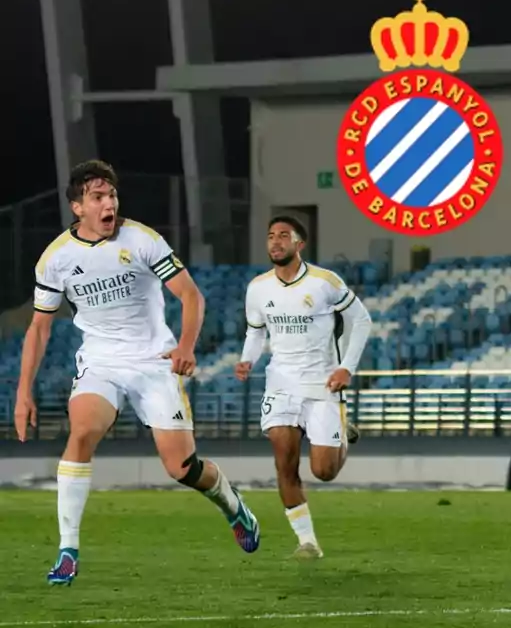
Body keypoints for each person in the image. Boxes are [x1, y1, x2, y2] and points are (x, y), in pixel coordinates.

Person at [14, 159, 261, 585]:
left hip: (154, 362)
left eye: (111, 195)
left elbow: (191, 297)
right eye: (98, 197)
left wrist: (185, 346)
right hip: (101, 363)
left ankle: (231, 503)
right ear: (78, 207)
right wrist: (24, 391)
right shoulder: (55, 258)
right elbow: (39, 326)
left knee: (181, 468)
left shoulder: (143, 240)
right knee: (81, 432)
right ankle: (67, 550)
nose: (108, 203)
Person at [235, 216, 372, 560]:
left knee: (323, 471)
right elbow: (255, 331)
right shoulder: (258, 288)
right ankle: (307, 542)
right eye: (270, 236)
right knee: (285, 464)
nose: (275, 241)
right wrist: (246, 359)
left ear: (300, 244)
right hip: (280, 384)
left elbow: (362, 320)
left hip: (322, 384)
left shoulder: (325, 282)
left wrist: (346, 368)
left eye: (284, 236)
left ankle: (340, 425)